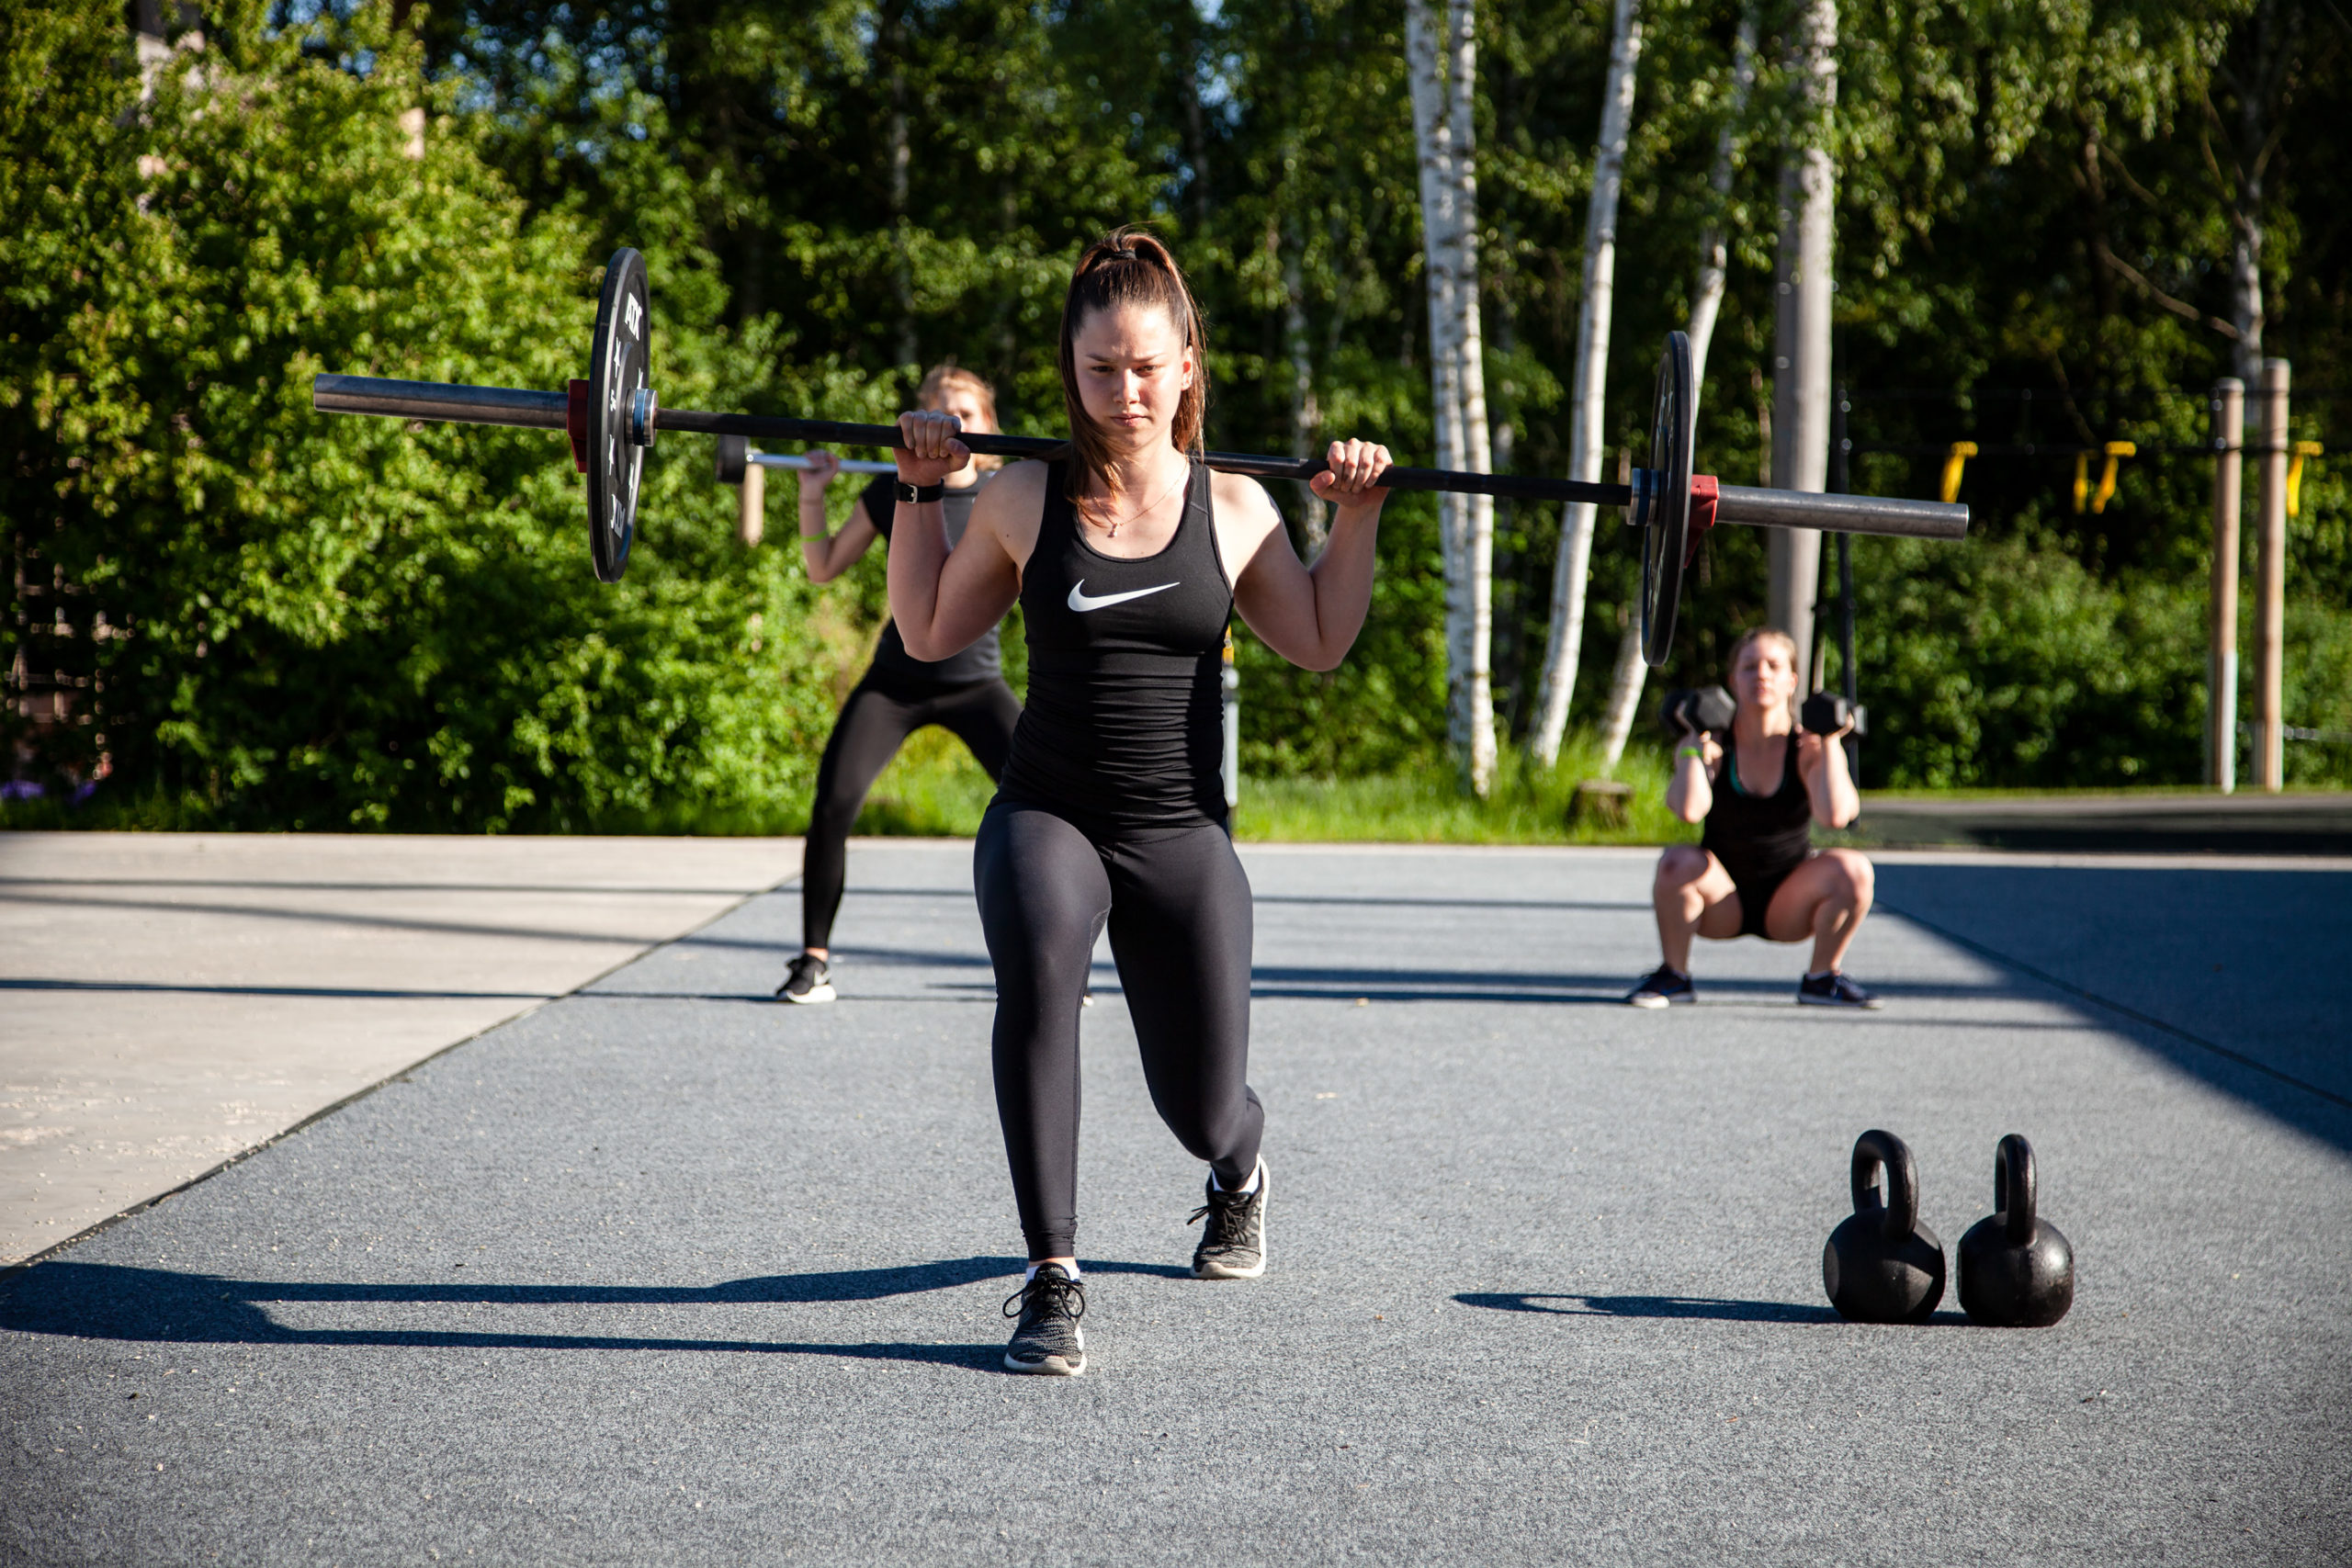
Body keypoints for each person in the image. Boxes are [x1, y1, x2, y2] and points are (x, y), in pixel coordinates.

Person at [885, 228, 1394, 1376]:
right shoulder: (1023, 496)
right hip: (1047, 810)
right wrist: (922, 493)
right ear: (1070, 374)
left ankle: (1239, 1172)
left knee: (1202, 1107)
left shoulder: (1237, 507)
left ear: (1187, 368)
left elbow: (1315, 642)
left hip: (1180, 832)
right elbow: (926, 631)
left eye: (1146, 366)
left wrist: (1355, 517)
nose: (1124, 391)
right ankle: (1052, 1278)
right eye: (1100, 369)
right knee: (1038, 980)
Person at [775, 365, 1023, 1006]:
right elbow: (824, 567)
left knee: (1052, 812)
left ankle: (1053, 967)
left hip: (978, 684)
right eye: (938, 408)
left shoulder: (1014, 499)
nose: (950, 419)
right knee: (832, 803)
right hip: (896, 681)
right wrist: (812, 494)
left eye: (965, 410)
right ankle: (812, 961)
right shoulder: (892, 491)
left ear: (989, 428)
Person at [1625, 626, 1882, 1010]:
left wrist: (1831, 745)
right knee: (1676, 862)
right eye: (1749, 667)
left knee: (1854, 869)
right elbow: (1689, 810)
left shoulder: (1809, 748)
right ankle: (1674, 975)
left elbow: (1835, 816)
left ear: (1791, 680)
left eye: (1773, 666)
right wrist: (1692, 748)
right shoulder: (1712, 746)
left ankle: (1822, 978)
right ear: (1732, 680)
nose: (1761, 674)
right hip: (1720, 900)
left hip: (1789, 904)